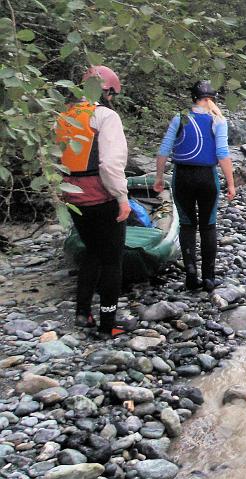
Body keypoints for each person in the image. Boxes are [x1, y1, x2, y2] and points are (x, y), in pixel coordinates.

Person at [55, 65, 134, 337]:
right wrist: (122, 198)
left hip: (71, 195)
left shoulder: (64, 115)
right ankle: (108, 325)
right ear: (107, 90)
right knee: (112, 260)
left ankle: (82, 313)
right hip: (100, 195)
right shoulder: (105, 116)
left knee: (91, 251)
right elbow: (110, 164)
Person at [154, 81, 236, 293]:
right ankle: (208, 278)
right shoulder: (218, 120)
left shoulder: (179, 118)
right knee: (208, 225)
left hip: (182, 176)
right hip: (207, 177)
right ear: (211, 99)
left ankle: (191, 276)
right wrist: (231, 183)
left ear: (193, 98)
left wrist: (159, 178)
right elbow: (222, 154)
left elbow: (164, 150)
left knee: (188, 224)